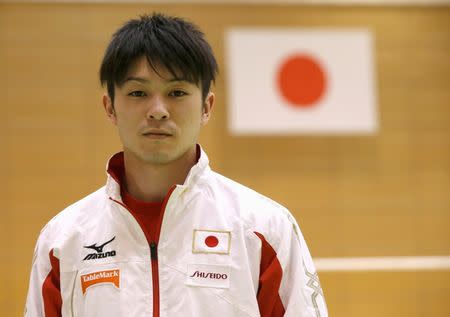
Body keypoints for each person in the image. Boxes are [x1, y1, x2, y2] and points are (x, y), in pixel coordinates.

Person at [25, 13, 328, 317]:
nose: (157, 111)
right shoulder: (63, 240)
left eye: (177, 92)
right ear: (110, 107)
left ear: (206, 107)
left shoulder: (263, 229)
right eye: (138, 93)